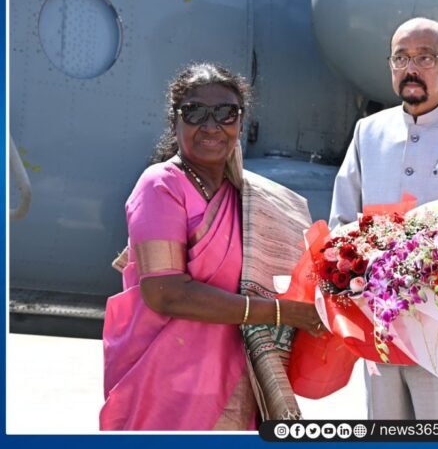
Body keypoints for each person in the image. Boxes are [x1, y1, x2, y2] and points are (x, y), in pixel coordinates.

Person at [100, 63, 323, 430]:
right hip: (166, 387)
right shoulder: (161, 185)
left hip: (233, 381)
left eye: (225, 113)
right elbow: (166, 294)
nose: (210, 125)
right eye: (194, 112)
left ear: (240, 122)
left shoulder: (251, 198)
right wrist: (283, 314)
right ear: (175, 122)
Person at [329, 17, 438, 420]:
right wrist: (356, 270)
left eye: (425, 57)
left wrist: (421, 265)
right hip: (379, 322)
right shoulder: (367, 131)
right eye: (401, 58)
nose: (412, 67)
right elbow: (342, 217)